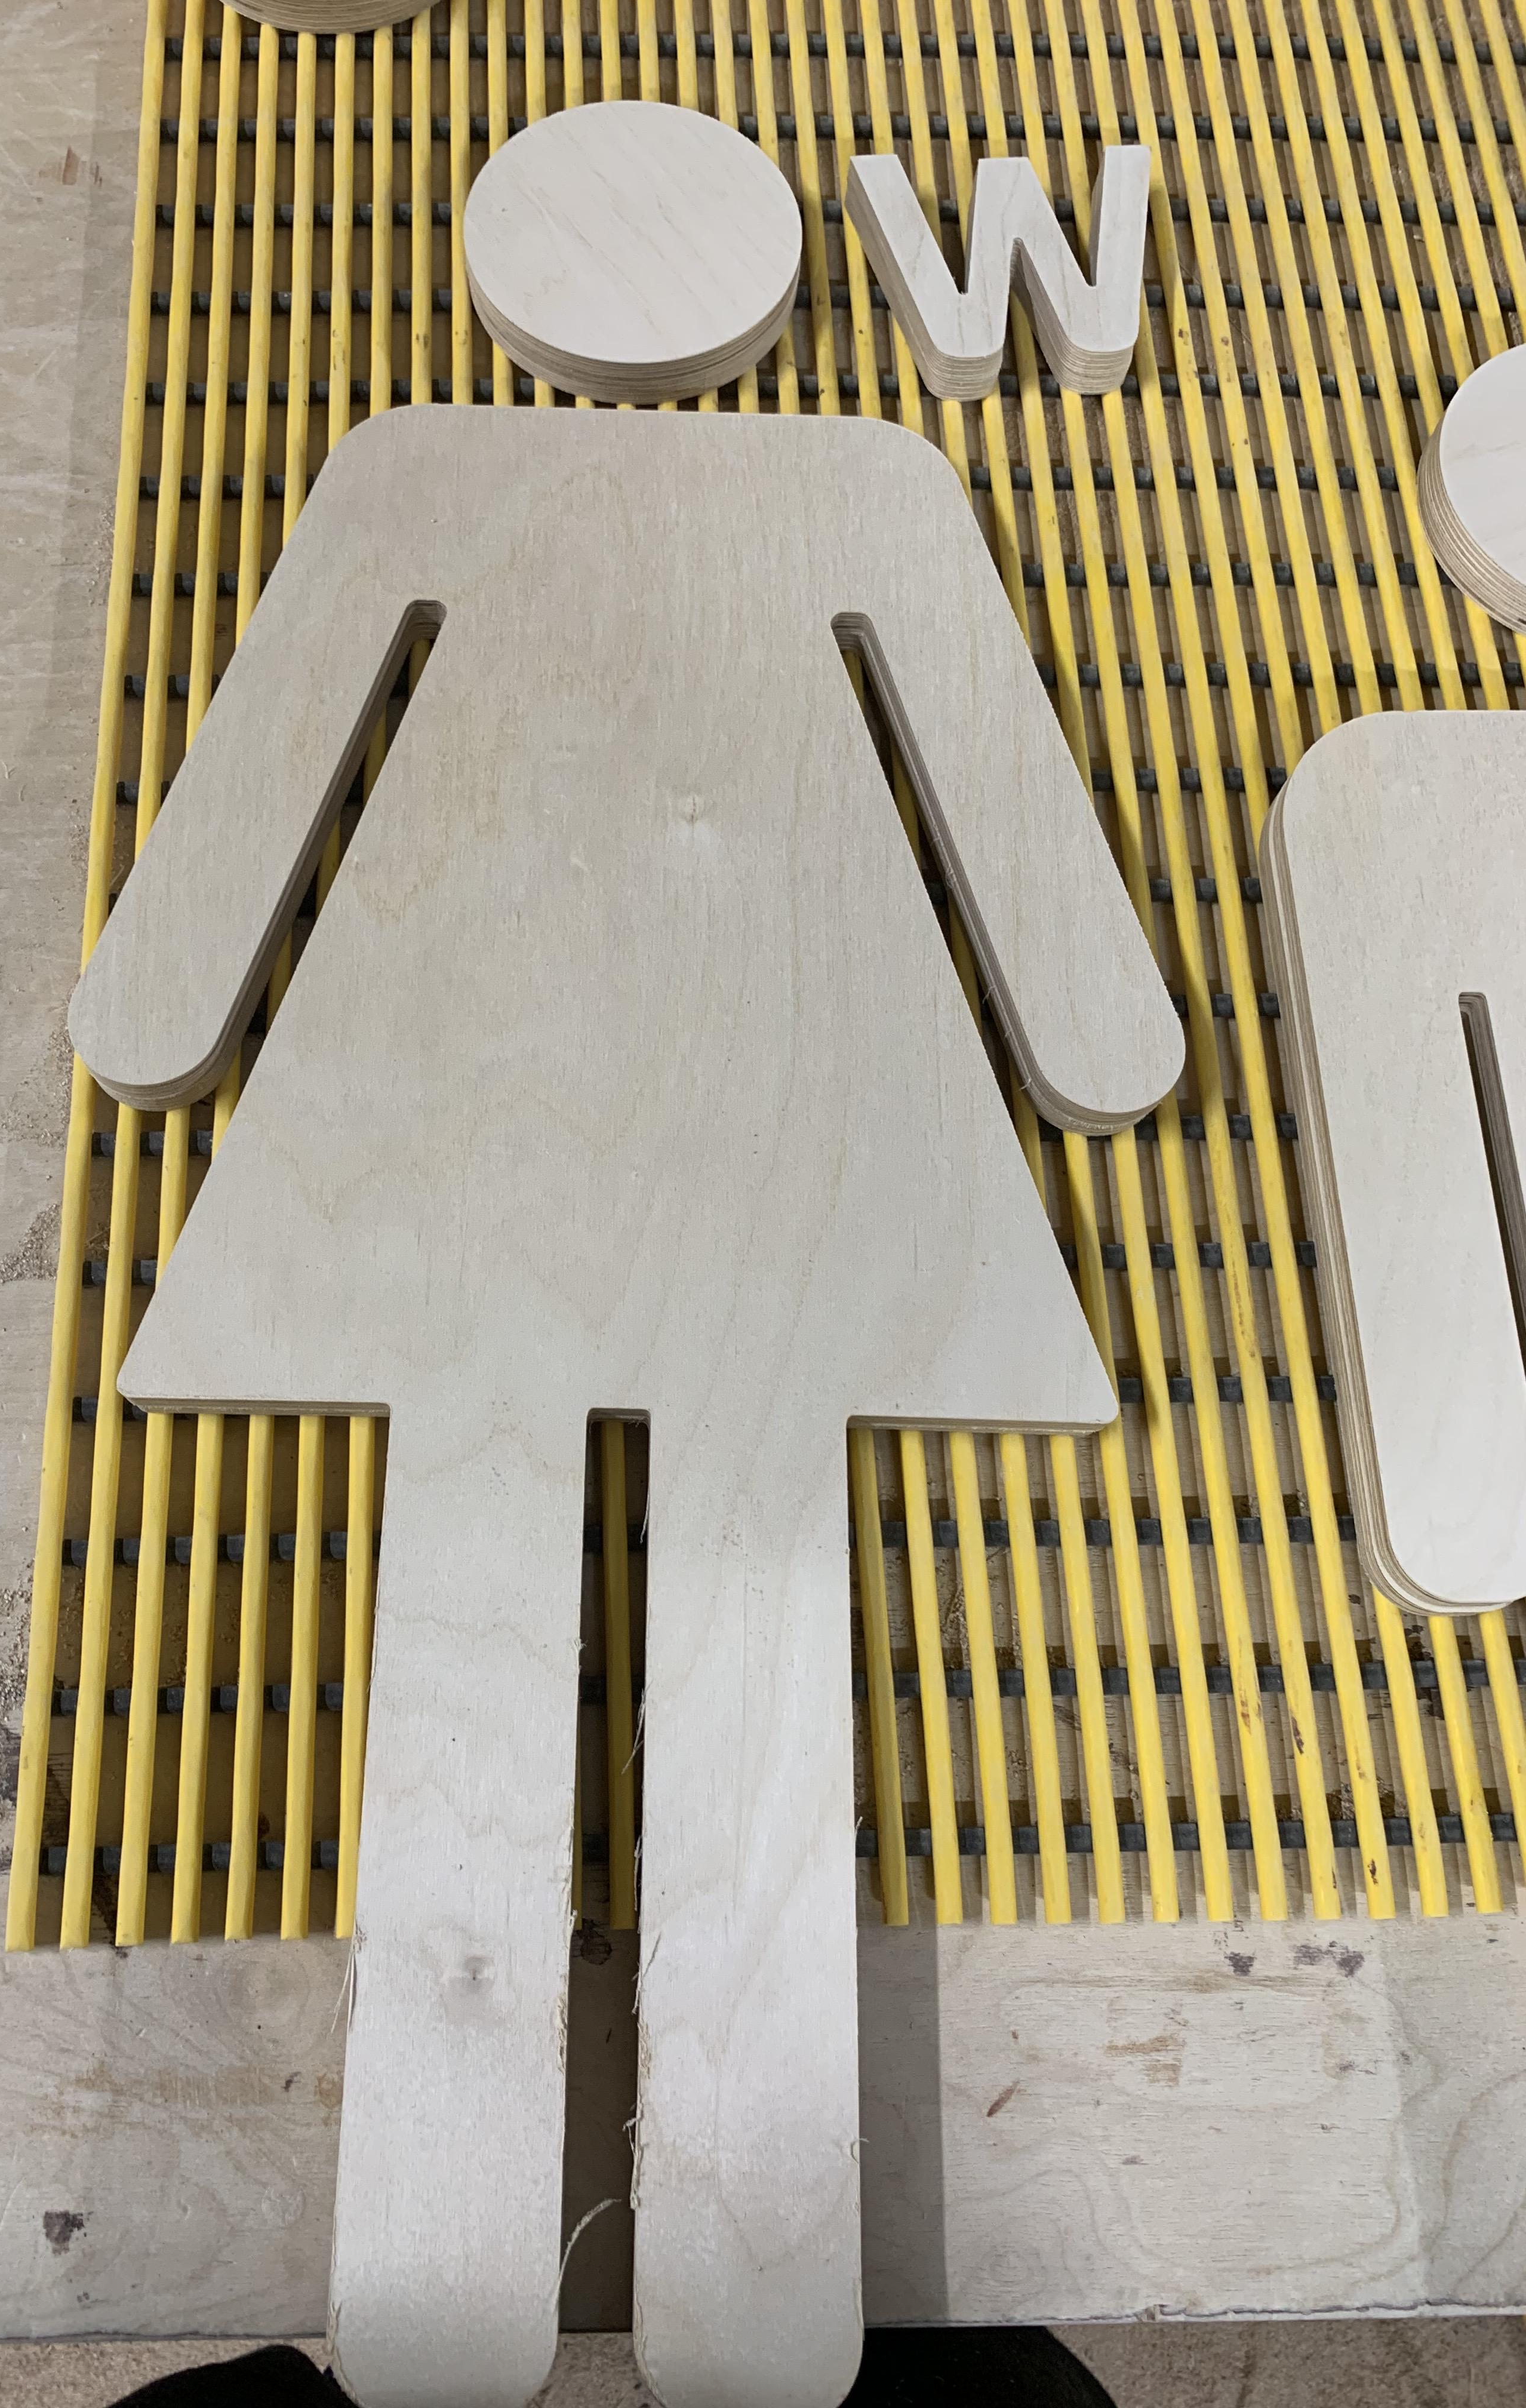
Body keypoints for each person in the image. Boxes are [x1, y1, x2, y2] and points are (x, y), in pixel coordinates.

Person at [70, 104, 1177, 2408]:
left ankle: (501, 2268)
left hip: (455, 1122)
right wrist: (1095, 1025)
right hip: (769, 1124)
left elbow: (181, 937)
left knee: (493, 1593)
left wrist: (163, 999)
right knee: (735, 1597)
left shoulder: (438, 461)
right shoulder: (852, 472)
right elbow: (1074, 952)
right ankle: (689, 2277)